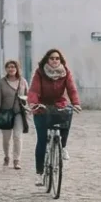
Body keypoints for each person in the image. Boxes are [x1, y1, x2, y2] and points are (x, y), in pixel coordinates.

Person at [27, 48, 82, 177]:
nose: (54, 60)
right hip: (42, 106)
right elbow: (34, 90)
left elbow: (71, 89)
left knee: (68, 115)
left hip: (58, 104)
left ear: (61, 60)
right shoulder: (40, 73)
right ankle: (40, 173)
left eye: (57, 58)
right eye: (52, 58)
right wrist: (34, 103)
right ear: (47, 59)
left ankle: (63, 147)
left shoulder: (65, 73)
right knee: (41, 140)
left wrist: (76, 103)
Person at [0, 59, 30, 170]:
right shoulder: (1, 82)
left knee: (17, 136)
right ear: (6, 69)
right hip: (5, 113)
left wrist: (28, 107)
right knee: (6, 138)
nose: (11, 69)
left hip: (18, 113)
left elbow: (28, 96)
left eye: (13, 67)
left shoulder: (23, 81)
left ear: (17, 69)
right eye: (9, 67)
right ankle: (7, 156)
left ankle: (16, 160)